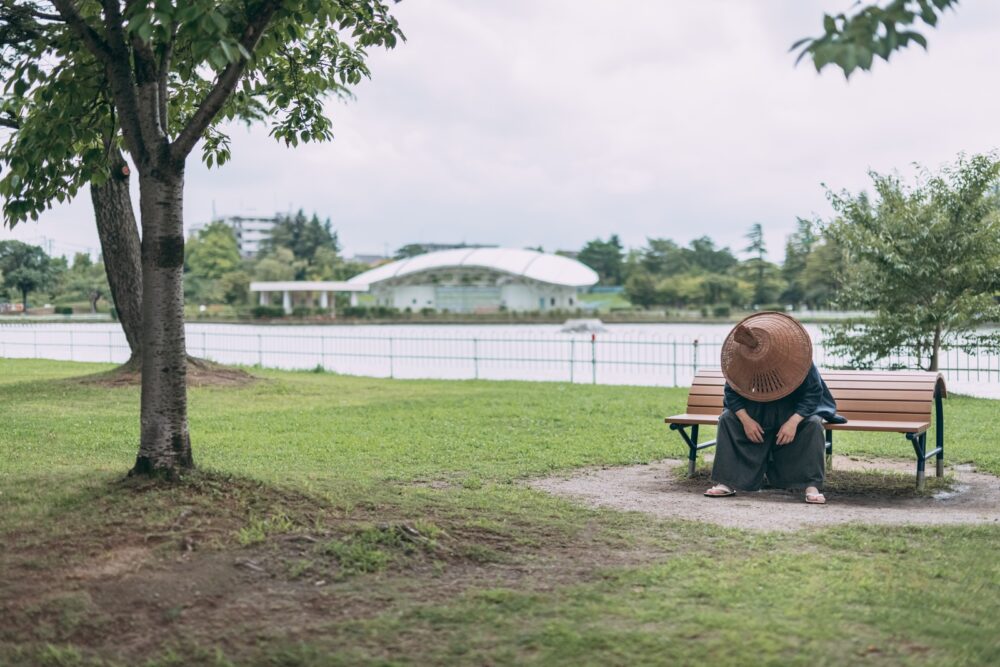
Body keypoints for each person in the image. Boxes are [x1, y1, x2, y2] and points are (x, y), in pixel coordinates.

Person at [703, 312, 844, 504]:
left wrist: (793, 422)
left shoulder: (799, 359)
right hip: (757, 412)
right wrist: (746, 420)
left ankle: (811, 485)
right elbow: (731, 392)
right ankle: (727, 482)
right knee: (728, 418)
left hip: (792, 411)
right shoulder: (740, 361)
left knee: (812, 424)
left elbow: (813, 393)